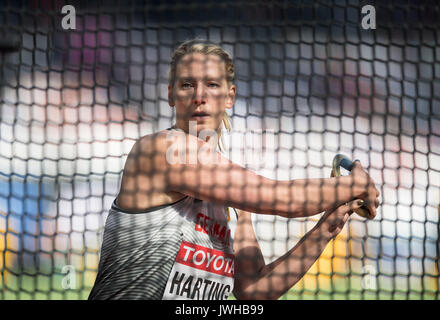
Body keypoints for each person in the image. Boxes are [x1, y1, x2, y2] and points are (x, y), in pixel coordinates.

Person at [88, 39, 380, 300]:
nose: (199, 95)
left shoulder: (230, 196)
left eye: (212, 85)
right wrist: (354, 185)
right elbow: (278, 198)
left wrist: (327, 228)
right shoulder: (163, 149)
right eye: (187, 84)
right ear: (170, 95)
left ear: (230, 96)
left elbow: (254, 291)